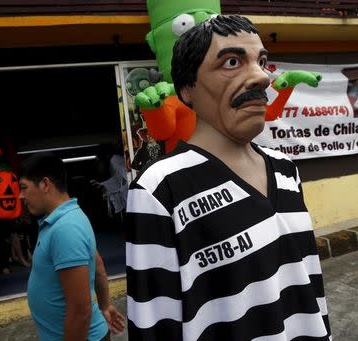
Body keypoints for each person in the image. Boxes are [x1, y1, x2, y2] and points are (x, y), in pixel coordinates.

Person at [126, 15, 331, 340]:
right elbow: (153, 322)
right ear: (187, 89)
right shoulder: (160, 189)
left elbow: (311, 282)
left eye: (261, 61)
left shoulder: (286, 169)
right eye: (232, 61)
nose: (261, 77)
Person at [18, 152, 124, 341]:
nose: (20, 196)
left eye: (24, 188)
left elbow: (80, 312)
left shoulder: (65, 228)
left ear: (44, 184)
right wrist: (105, 306)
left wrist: (103, 306)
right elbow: (98, 267)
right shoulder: (65, 218)